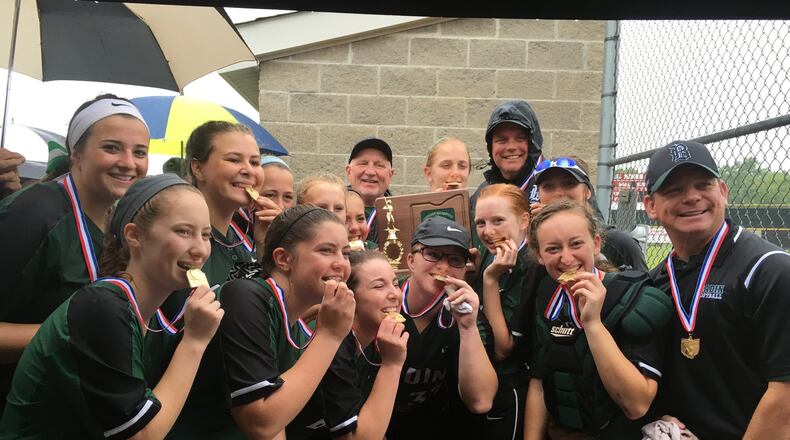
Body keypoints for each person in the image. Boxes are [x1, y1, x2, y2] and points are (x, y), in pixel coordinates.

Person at [0, 174, 224, 438]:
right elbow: (141, 435)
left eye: (206, 235)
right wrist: (194, 341)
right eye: (183, 231)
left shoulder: (147, 315)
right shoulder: (102, 307)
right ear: (135, 235)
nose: (200, 249)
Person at [0, 94, 150, 413]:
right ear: (76, 153)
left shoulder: (123, 224)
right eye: (111, 147)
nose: (128, 162)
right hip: (25, 413)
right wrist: (79, 333)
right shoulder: (34, 214)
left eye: (140, 152)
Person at [643, 140, 790, 439]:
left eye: (703, 185)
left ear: (722, 191)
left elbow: (784, 398)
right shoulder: (655, 281)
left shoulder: (770, 270)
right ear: (651, 206)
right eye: (674, 190)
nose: (692, 197)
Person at [523, 200, 671, 439]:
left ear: (596, 244)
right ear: (539, 255)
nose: (566, 258)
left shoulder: (633, 297)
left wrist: (592, 323)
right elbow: (539, 380)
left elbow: (637, 405)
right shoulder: (546, 294)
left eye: (576, 244)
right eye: (552, 249)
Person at [209, 205, 356, 439]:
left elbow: (278, 426)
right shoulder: (246, 296)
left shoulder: (295, 323)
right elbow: (260, 423)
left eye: (345, 253)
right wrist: (330, 335)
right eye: (326, 250)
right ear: (283, 258)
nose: (341, 263)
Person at [388, 216, 498, 439]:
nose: (444, 266)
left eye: (455, 259)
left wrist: (467, 327)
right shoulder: (384, 301)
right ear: (410, 260)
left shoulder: (468, 313)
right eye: (433, 254)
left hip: (436, 426)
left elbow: (481, 401)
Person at [320, 250, 409, 439]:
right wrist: (392, 365)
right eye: (379, 286)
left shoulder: (380, 340)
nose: (394, 294)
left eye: (395, 283)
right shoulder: (335, 344)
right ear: (350, 295)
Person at [472, 183, 535, 439]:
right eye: (480, 223)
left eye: (498, 220)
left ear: (523, 220)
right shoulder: (494, 252)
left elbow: (503, 348)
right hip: (480, 374)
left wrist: (489, 280)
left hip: (509, 384)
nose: (488, 231)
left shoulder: (530, 265)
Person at [531, 157, 648, 272]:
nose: (559, 193)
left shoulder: (618, 243)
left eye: (569, 184)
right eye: (548, 186)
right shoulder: (532, 239)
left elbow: (641, 287)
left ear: (587, 192)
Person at [470, 100, 544, 247]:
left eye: (520, 138)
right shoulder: (480, 196)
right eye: (501, 140)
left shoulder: (558, 183)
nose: (511, 147)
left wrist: (557, 216)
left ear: (533, 143)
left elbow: (595, 232)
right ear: (490, 147)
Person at [344, 137, 395, 244]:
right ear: (348, 171)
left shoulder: (402, 215)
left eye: (379, 165)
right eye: (363, 163)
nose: (371, 172)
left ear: (390, 174)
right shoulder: (332, 210)